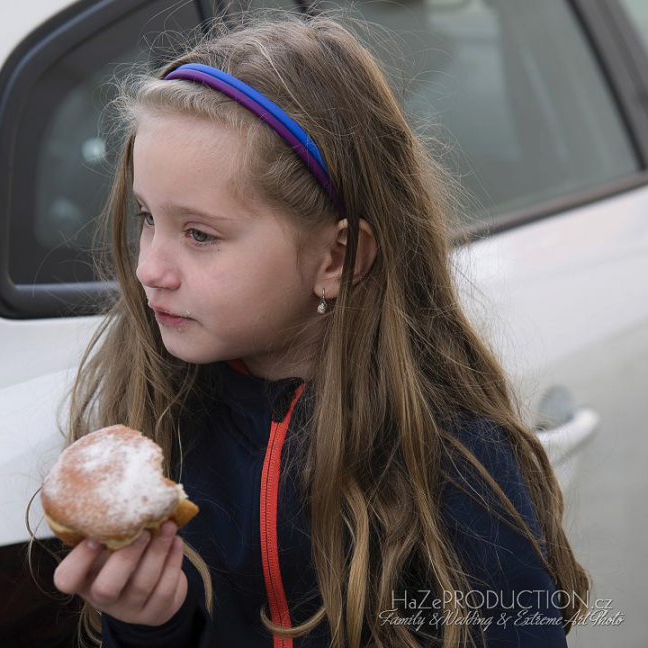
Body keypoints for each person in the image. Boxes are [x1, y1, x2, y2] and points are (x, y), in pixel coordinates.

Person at [38, 7, 591, 648]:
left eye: (199, 234)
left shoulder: (454, 461)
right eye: (145, 218)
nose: (148, 268)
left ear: (335, 259)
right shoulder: (163, 424)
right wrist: (148, 624)